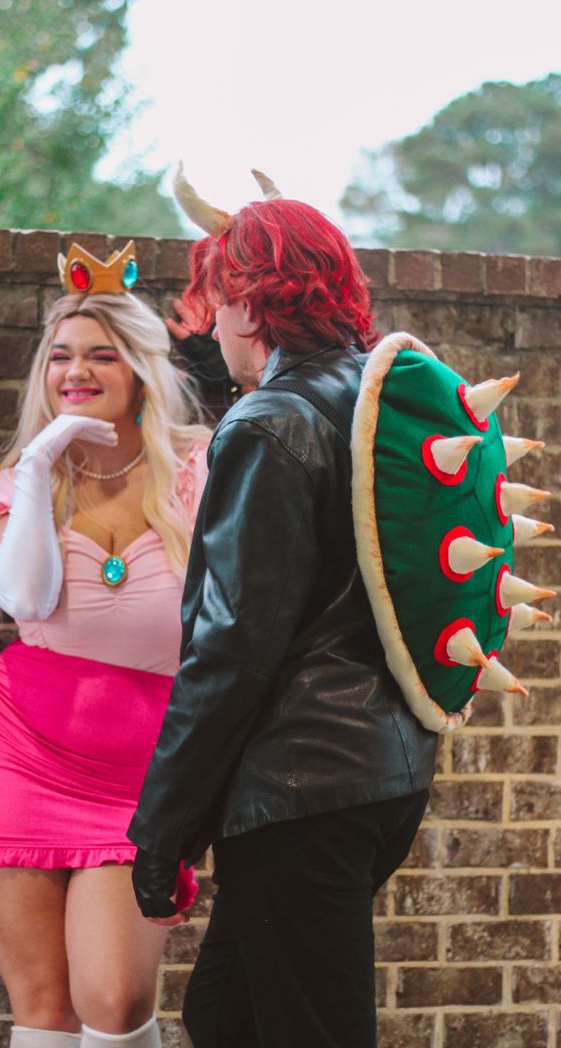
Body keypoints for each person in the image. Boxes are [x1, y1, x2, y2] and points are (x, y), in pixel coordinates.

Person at [128, 173, 439, 1048]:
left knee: (308, 1030)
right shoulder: (370, 401)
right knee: (226, 1014)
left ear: (252, 305)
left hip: (300, 785)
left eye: (220, 302)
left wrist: (162, 830)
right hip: (381, 775)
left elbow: (231, 647)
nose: (209, 324)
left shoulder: (270, 424)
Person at [0, 240, 210, 1048]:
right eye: (59, 357)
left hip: (144, 773)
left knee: (114, 1000)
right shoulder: (21, 483)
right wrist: (41, 461)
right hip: (15, 753)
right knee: (46, 1007)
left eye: (100, 355)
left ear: (140, 368)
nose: (74, 373)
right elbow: (23, 598)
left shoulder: (203, 469)